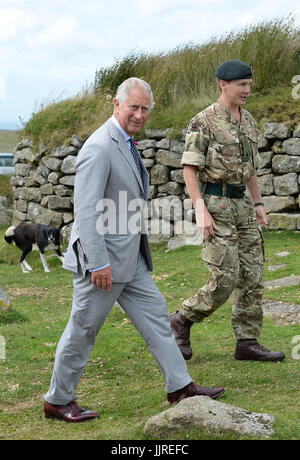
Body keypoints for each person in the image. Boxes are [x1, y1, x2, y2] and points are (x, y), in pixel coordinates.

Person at [43, 77, 224, 423]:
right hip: (103, 263)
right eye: (133, 107)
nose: (140, 114)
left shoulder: (125, 141)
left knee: (157, 315)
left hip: (130, 259)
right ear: (116, 104)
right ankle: (58, 399)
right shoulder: (99, 146)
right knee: (83, 328)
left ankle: (180, 385)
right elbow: (86, 210)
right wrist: (98, 263)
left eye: (145, 108)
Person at [170, 60, 285, 363]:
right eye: (241, 85)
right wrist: (200, 210)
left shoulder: (248, 121)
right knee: (224, 278)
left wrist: (259, 204)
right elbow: (190, 169)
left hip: (243, 206)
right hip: (215, 204)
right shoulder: (203, 122)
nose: (248, 90)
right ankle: (181, 320)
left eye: (249, 84)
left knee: (252, 275)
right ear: (223, 84)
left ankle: (247, 341)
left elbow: (250, 170)